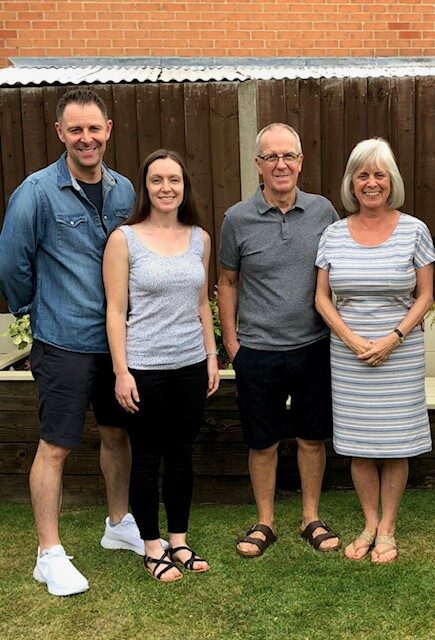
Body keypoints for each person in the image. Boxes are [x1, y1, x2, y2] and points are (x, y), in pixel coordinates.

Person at [0, 89, 147, 596]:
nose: (87, 138)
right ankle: (49, 553)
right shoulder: (36, 192)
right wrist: (34, 310)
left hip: (116, 345)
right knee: (56, 446)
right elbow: (11, 265)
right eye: (76, 129)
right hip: (62, 342)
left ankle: (118, 523)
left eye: (95, 128)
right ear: (61, 133)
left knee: (116, 434)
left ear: (108, 130)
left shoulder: (126, 191)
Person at [218, 123, 341, 557]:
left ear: (301, 161)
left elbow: (339, 271)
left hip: (312, 345)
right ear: (258, 165)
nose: (281, 164)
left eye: (289, 155)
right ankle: (265, 522)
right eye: (271, 157)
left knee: (311, 437)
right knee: (262, 441)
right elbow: (227, 282)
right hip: (258, 350)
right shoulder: (237, 218)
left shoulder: (324, 212)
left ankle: (311, 517)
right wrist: (233, 345)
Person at [315, 138, 434, 563]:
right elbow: (322, 299)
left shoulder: (414, 230)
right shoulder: (332, 234)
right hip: (349, 355)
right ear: (351, 182)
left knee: (396, 443)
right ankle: (368, 521)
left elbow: (426, 295)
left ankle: (388, 526)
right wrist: (351, 339)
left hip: (399, 352)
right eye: (362, 174)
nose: (370, 183)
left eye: (378, 174)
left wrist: (393, 338)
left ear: (391, 181)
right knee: (360, 445)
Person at [103, 149, 219, 582]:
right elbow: (116, 311)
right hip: (144, 367)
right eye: (157, 180)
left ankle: (179, 541)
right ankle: (151, 547)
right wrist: (121, 370)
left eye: (174, 179)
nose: (166, 188)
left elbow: (202, 304)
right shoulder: (125, 239)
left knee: (182, 455)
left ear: (184, 186)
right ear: (145, 187)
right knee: (147, 458)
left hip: (190, 365)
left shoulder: (199, 238)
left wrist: (211, 356)